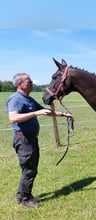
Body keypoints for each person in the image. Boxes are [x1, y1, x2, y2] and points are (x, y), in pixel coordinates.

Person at [6, 73, 73, 208]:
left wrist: (63, 114)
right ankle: (26, 198)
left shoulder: (28, 99)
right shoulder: (15, 99)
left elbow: (44, 111)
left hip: (30, 138)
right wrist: (35, 113)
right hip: (23, 138)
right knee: (29, 169)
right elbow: (13, 118)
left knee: (30, 168)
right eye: (29, 82)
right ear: (20, 84)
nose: (32, 83)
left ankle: (21, 195)